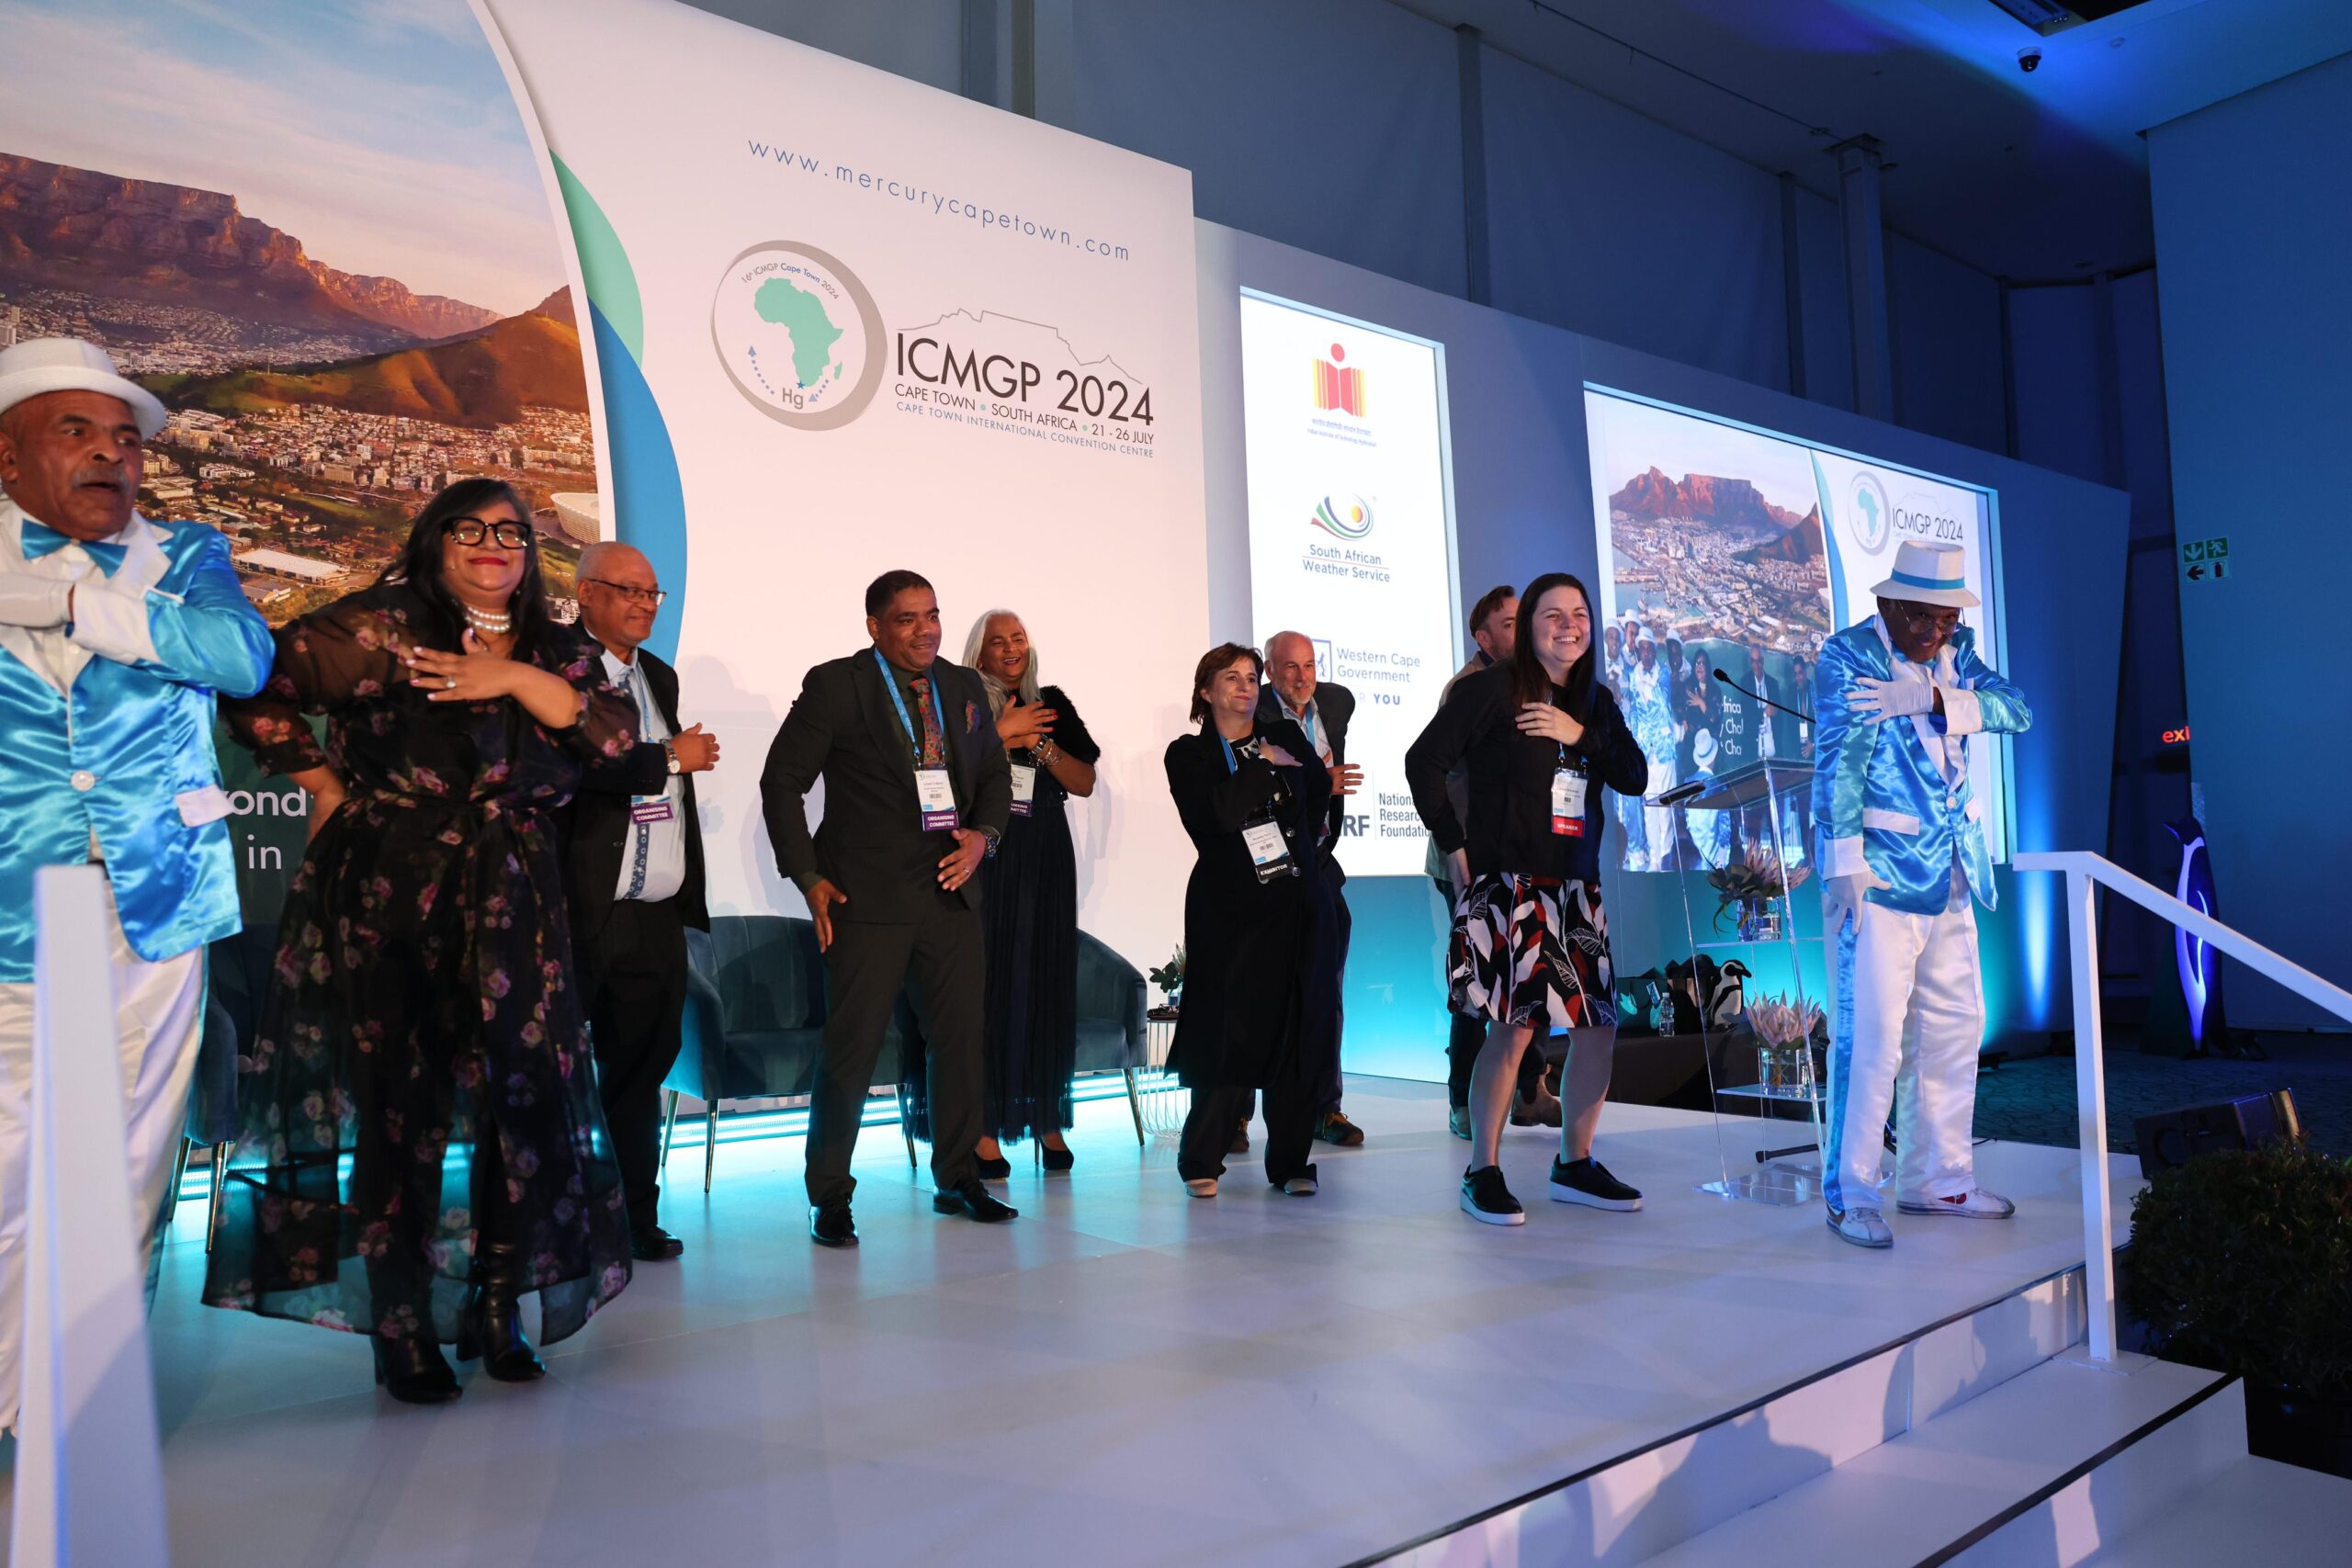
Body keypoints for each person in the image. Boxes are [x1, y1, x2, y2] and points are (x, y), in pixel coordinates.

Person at [207, 478, 638, 1404]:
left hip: (516, 891)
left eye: (512, 532)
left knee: (521, 1103)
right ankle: (401, 1325)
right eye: (470, 529)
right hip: (395, 887)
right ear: (435, 539)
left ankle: (498, 1304)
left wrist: (510, 678)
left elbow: (612, 738)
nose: (493, 545)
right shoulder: (381, 627)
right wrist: (327, 787)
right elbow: (254, 689)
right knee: (403, 1109)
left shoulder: (556, 644)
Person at [0, 337, 273, 1433]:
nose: (110, 455)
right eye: (77, 432)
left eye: (125, 439)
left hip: (158, 902)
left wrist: (70, 604)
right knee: (10, 1159)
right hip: (12, 904)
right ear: (9, 454)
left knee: (130, 1159)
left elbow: (240, 656)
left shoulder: (186, 551)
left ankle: (74, 1402)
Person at [760, 570, 1014, 1247]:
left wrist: (984, 838)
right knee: (852, 1052)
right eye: (907, 619)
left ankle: (957, 1176)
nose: (926, 630)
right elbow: (782, 780)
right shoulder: (836, 685)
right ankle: (829, 1196)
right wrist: (807, 875)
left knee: (959, 1043)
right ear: (874, 626)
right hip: (865, 900)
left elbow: (994, 773)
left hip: (951, 893)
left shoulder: (962, 686)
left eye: (932, 615)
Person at [1406, 573, 1648, 1225]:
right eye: (1552, 614)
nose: (1569, 625)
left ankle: (1575, 1163)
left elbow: (1634, 774)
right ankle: (1482, 1170)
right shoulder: (1490, 689)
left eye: (1580, 614)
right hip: (1509, 887)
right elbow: (1423, 760)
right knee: (1512, 1030)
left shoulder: (1595, 703)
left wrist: (1579, 732)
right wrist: (1453, 842)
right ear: (1530, 626)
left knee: (1597, 1029)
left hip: (1576, 887)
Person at [1814, 540, 2031, 1249]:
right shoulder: (1848, 655)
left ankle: (1939, 1178)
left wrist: (1936, 696)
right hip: (1878, 877)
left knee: (1953, 1027)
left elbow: (2016, 710)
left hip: (1952, 874)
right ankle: (1850, 1192)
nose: (1934, 631)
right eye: (1921, 617)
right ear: (1887, 602)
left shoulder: (1956, 655)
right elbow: (1838, 764)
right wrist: (1843, 861)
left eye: (1945, 619)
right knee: (1871, 1038)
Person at [560, 541, 717, 1263]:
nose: (644, 604)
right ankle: (563, 1218)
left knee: (641, 1068)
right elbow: (575, 765)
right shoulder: (557, 664)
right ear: (586, 593)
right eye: (628, 590)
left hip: (654, 914)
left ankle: (632, 1216)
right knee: (559, 1072)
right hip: (580, 906)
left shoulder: (659, 675)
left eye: (652, 593)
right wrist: (671, 757)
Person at [903, 609, 1100, 1179]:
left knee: (1041, 982)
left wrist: (1038, 744)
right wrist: (1004, 732)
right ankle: (982, 1127)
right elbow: (944, 773)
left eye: (1019, 638)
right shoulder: (959, 704)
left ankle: (1044, 1117)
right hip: (986, 855)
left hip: (1043, 855)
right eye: (998, 640)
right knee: (985, 990)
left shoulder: (1051, 702)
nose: (1011, 647)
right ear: (979, 653)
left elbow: (1084, 781)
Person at [1165, 643, 1339, 1198]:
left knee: (1298, 1028)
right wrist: (1264, 768)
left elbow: (1317, 795)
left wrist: (1298, 842)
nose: (1246, 687)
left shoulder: (1285, 735)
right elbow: (1215, 813)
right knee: (1228, 1029)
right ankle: (1201, 1158)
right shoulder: (1187, 754)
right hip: (1229, 909)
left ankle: (1290, 1162)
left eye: (1251, 678)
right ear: (1206, 691)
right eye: (1232, 678)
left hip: (1296, 898)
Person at [1426, 586, 1557, 1140]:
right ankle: (1463, 1100)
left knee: (1532, 972)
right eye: (1508, 624)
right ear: (1483, 638)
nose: (1520, 630)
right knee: (1477, 982)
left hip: (1526, 856)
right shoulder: (1470, 688)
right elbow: (1440, 771)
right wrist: (1460, 849)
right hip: (1473, 859)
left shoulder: (1537, 683)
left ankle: (1530, 1091)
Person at [1256, 630, 1363, 1148]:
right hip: (1271, 866)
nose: (1302, 678)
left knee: (1327, 991)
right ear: (1269, 672)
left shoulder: (1336, 704)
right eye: (1290, 667)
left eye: (1310, 665)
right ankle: (1237, 1114)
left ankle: (1326, 1107)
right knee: (1262, 991)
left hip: (1320, 860)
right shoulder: (1253, 713)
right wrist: (1320, 781)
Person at [1623, 629, 1678, 872]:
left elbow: (1663, 700)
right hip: (1644, 751)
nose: (1646, 653)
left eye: (1649, 649)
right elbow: (1633, 711)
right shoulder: (1632, 675)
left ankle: (1666, 858)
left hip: (1664, 750)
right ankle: (1654, 859)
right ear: (1638, 651)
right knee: (1649, 809)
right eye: (1642, 649)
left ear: (1654, 651)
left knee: (1665, 808)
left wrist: (1646, 687)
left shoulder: (1663, 673)